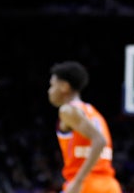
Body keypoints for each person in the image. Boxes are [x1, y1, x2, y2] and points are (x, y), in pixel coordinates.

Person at [47, 61, 123, 193]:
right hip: (110, 185)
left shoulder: (67, 110)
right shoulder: (94, 113)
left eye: (52, 85)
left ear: (64, 86)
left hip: (87, 185)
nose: (50, 91)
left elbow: (99, 140)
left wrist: (78, 181)